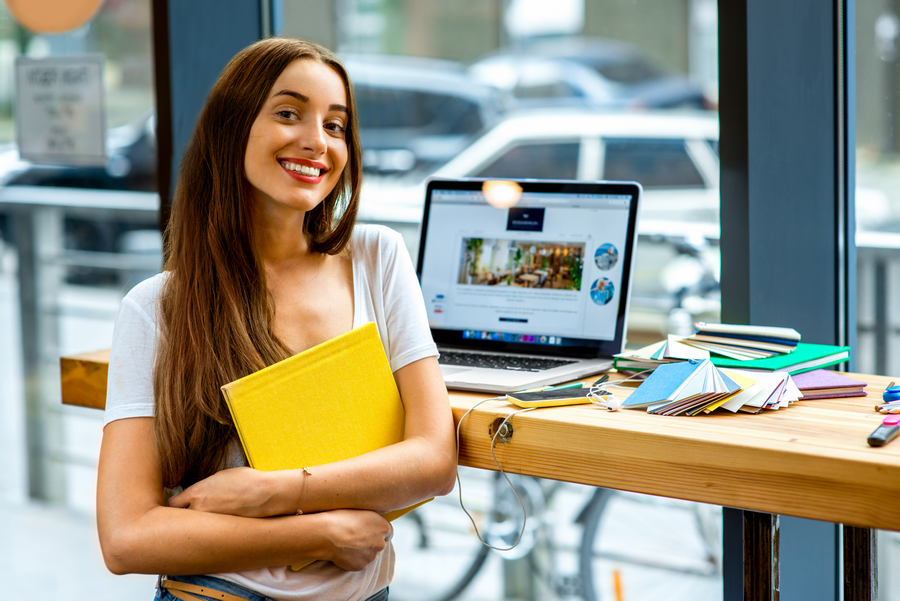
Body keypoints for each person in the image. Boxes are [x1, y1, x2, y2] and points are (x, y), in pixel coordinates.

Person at [96, 38, 457, 601]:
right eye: (289, 113)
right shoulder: (156, 308)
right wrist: (316, 532)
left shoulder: (378, 259)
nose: (318, 142)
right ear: (232, 128)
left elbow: (434, 460)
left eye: (336, 126)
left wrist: (277, 492)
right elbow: (126, 538)